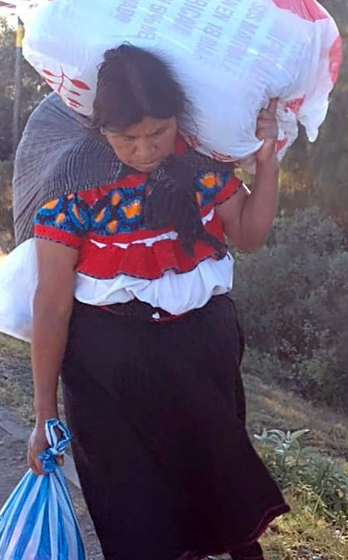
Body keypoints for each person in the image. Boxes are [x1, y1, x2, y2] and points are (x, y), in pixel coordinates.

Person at [20, 43, 288, 560]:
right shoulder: (75, 182)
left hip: (199, 357)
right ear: (102, 129)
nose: (145, 151)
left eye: (158, 133)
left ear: (176, 121)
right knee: (134, 508)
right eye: (127, 138)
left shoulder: (201, 167)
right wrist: (42, 413)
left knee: (218, 484)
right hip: (107, 374)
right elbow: (52, 304)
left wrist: (266, 163)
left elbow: (250, 235)